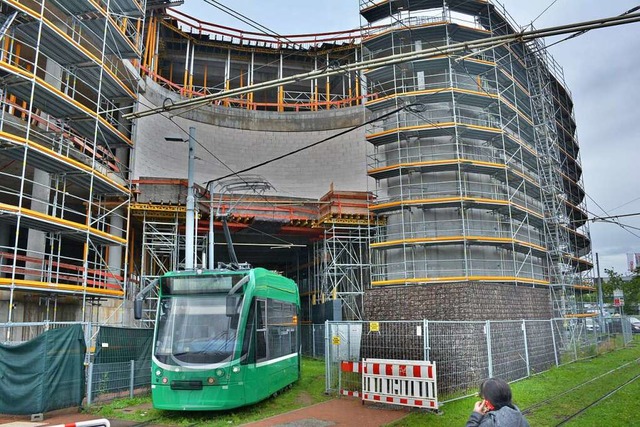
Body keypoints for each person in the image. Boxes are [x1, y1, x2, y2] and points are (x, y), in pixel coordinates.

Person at [465, 378, 529, 427]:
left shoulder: (490, 422)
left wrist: (476, 415)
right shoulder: (519, 416)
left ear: (488, 402)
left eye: (483, 398)